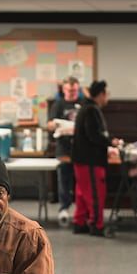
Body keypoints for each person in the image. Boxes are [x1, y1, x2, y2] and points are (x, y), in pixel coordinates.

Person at [71, 79, 116, 237]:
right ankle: (97, 225)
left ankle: (79, 222)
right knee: (95, 194)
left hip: (80, 159)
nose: (107, 97)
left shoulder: (84, 108)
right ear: (101, 94)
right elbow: (95, 135)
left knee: (82, 193)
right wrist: (110, 143)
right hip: (90, 160)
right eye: (106, 94)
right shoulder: (92, 110)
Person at [47, 76, 82, 223]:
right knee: (64, 179)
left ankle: (81, 210)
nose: (72, 93)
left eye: (75, 90)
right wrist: (56, 125)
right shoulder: (58, 104)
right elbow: (49, 124)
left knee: (81, 180)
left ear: (78, 89)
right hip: (64, 147)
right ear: (63, 89)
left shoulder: (84, 103)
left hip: (81, 147)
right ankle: (64, 208)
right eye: (69, 90)